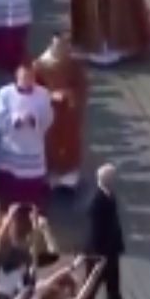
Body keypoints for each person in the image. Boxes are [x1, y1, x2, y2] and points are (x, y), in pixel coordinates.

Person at [0, 63, 53, 207]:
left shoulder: (43, 94)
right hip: (12, 144)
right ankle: (7, 204)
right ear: (17, 77)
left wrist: (33, 119)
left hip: (33, 144)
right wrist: (16, 120)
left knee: (32, 183)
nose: (27, 80)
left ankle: (32, 206)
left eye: (30, 77)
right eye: (24, 77)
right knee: (10, 180)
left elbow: (48, 116)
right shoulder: (5, 93)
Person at [33, 35, 88, 192]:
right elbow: (35, 88)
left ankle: (69, 175)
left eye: (64, 46)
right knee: (50, 141)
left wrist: (71, 95)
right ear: (52, 45)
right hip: (50, 110)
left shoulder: (73, 64)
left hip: (69, 110)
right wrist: (50, 94)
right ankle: (52, 174)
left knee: (70, 141)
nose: (62, 49)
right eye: (58, 45)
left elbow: (81, 85)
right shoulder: (40, 65)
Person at [86, 164, 132, 299]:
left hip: (110, 250)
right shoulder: (97, 202)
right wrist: (100, 256)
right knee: (94, 284)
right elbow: (96, 232)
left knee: (110, 284)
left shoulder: (108, 195)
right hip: (102, 253)